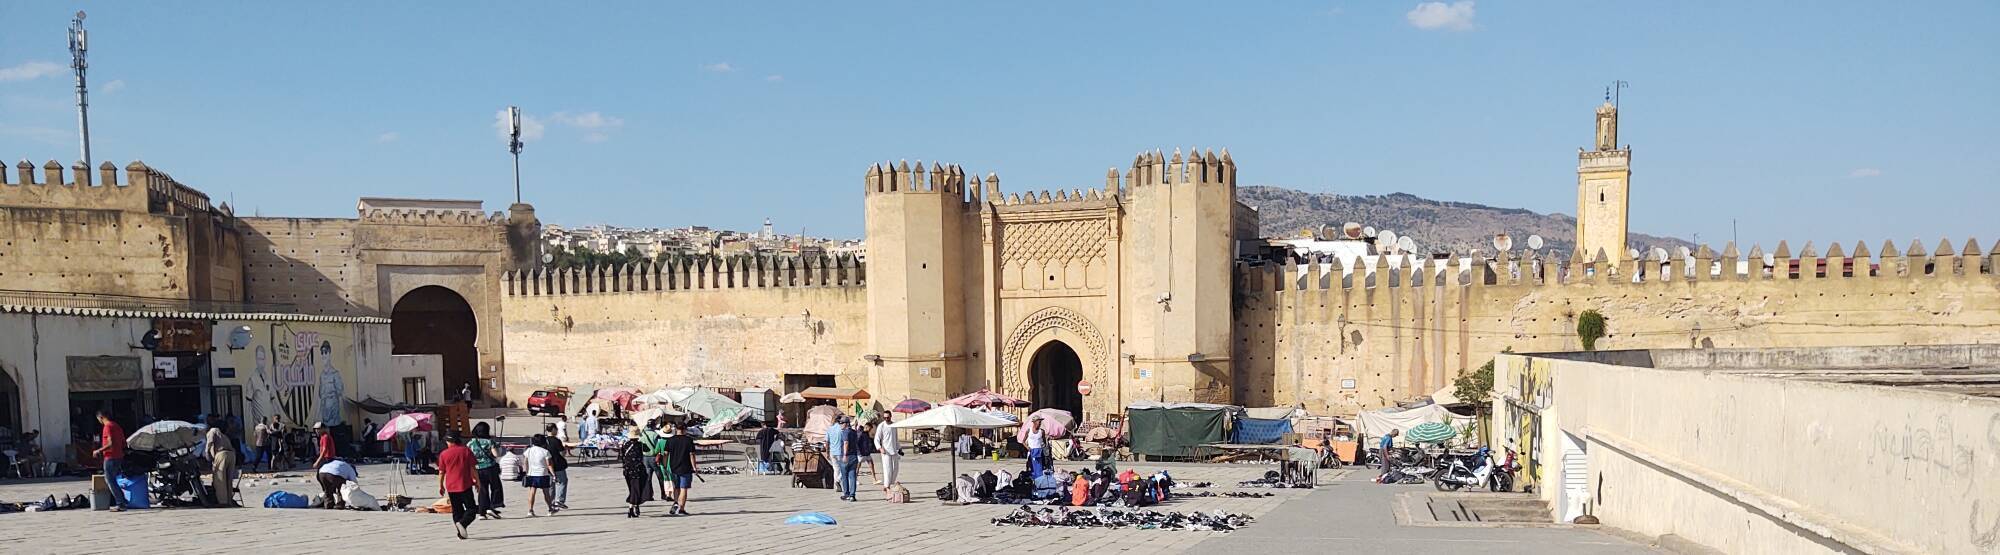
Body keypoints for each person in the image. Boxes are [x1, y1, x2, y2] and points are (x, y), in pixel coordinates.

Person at [437, 433, 479, 539]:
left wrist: (440, 486)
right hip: (465, 484)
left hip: (451, 486)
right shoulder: (466, 451)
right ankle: (463, 525)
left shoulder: (444, 454)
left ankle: (461, 532)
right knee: (471, 509)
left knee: (457, 511)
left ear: (450, 442)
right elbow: (472, 468)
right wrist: (478, 481)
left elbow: (441, 472)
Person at [466, 422, 504, 518]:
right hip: (490, 468)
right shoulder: (489, 442)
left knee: (482, 490)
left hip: (477, 469)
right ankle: (492, 506)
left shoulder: (470, 443)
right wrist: (499, 448)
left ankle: (482, 512)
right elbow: (496, 455)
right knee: (496, 487)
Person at [93, 411, 129, 512]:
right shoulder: (116, 426)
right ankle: (123, 501)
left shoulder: (107, 427)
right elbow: (123, 442)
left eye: (98, 419)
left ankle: (120, 503)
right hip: (119, 456)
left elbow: (110, 443)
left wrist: (98, 451)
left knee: (110, 481)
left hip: (110, 457)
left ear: (101, 417)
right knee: (114, 480)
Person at [661, 422, 698, 515]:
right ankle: (681, 508)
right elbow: (692, 455)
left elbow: (665, 454)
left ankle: (676, 502)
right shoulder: (688, 440)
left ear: (676, 429)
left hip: (674, 467)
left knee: (676, 487)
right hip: (686, 467)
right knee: (684, 488)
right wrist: (695, 467)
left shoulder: (670, 440)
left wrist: (665, 465)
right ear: (685, 429)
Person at [205, 416, 238, 507]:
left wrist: (206, 452)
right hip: (231, 454)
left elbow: (210, 442)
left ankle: (223, 502)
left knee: (220, 479)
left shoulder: (213, 430)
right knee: (228, 479)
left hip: (221, 454)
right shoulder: (224, 435)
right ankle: (229, 500)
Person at [521, 435, 555, 516]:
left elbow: (525, 462)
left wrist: (525, 471)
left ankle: (530, 510)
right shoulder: (545, 451)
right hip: (543, 474)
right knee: (546, 492)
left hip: (531, 473)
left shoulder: (528, 451)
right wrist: (553, 474)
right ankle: (550, 509)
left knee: (532, 492)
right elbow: (549, 464)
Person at [619, 432, 650, 518]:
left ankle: (636, 506)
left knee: (632, 489)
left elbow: (622, 457)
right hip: (637, 471)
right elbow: (648, 449)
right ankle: (631, 508)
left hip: (627, 470)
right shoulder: (639, 445)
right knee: (636, 489)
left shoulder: (625, 445)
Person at [825, 416, 851, 500]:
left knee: (836, 468)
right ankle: (838, 481)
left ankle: (837, 484)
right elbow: (845, 441)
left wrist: (827, 452)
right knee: (844, 469)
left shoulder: (829, 429)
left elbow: (827, 442)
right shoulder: (841, 430)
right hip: (840, 452)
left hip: (832, 452)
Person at [874, 416, 901, 489]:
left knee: (896, 469)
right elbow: (876, 439)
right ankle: (886, 486)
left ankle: (891, 482)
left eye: (887, 417)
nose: (886, 419)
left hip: (894, 450)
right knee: (887, 469)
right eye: (884, 417)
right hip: (885, 451)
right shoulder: (881, 426)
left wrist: (899, 448)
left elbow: (896, 438)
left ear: (890, 417)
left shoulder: (894, 425)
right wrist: (880, 448)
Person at [547, 435, 570, 510]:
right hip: (558, 464)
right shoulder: (556, 440)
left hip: (547, 465)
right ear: (554, 429)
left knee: (551, 485)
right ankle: (560, 500)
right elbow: (562, 452)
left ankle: (551, 502)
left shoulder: (543, 440)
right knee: (562, 481)